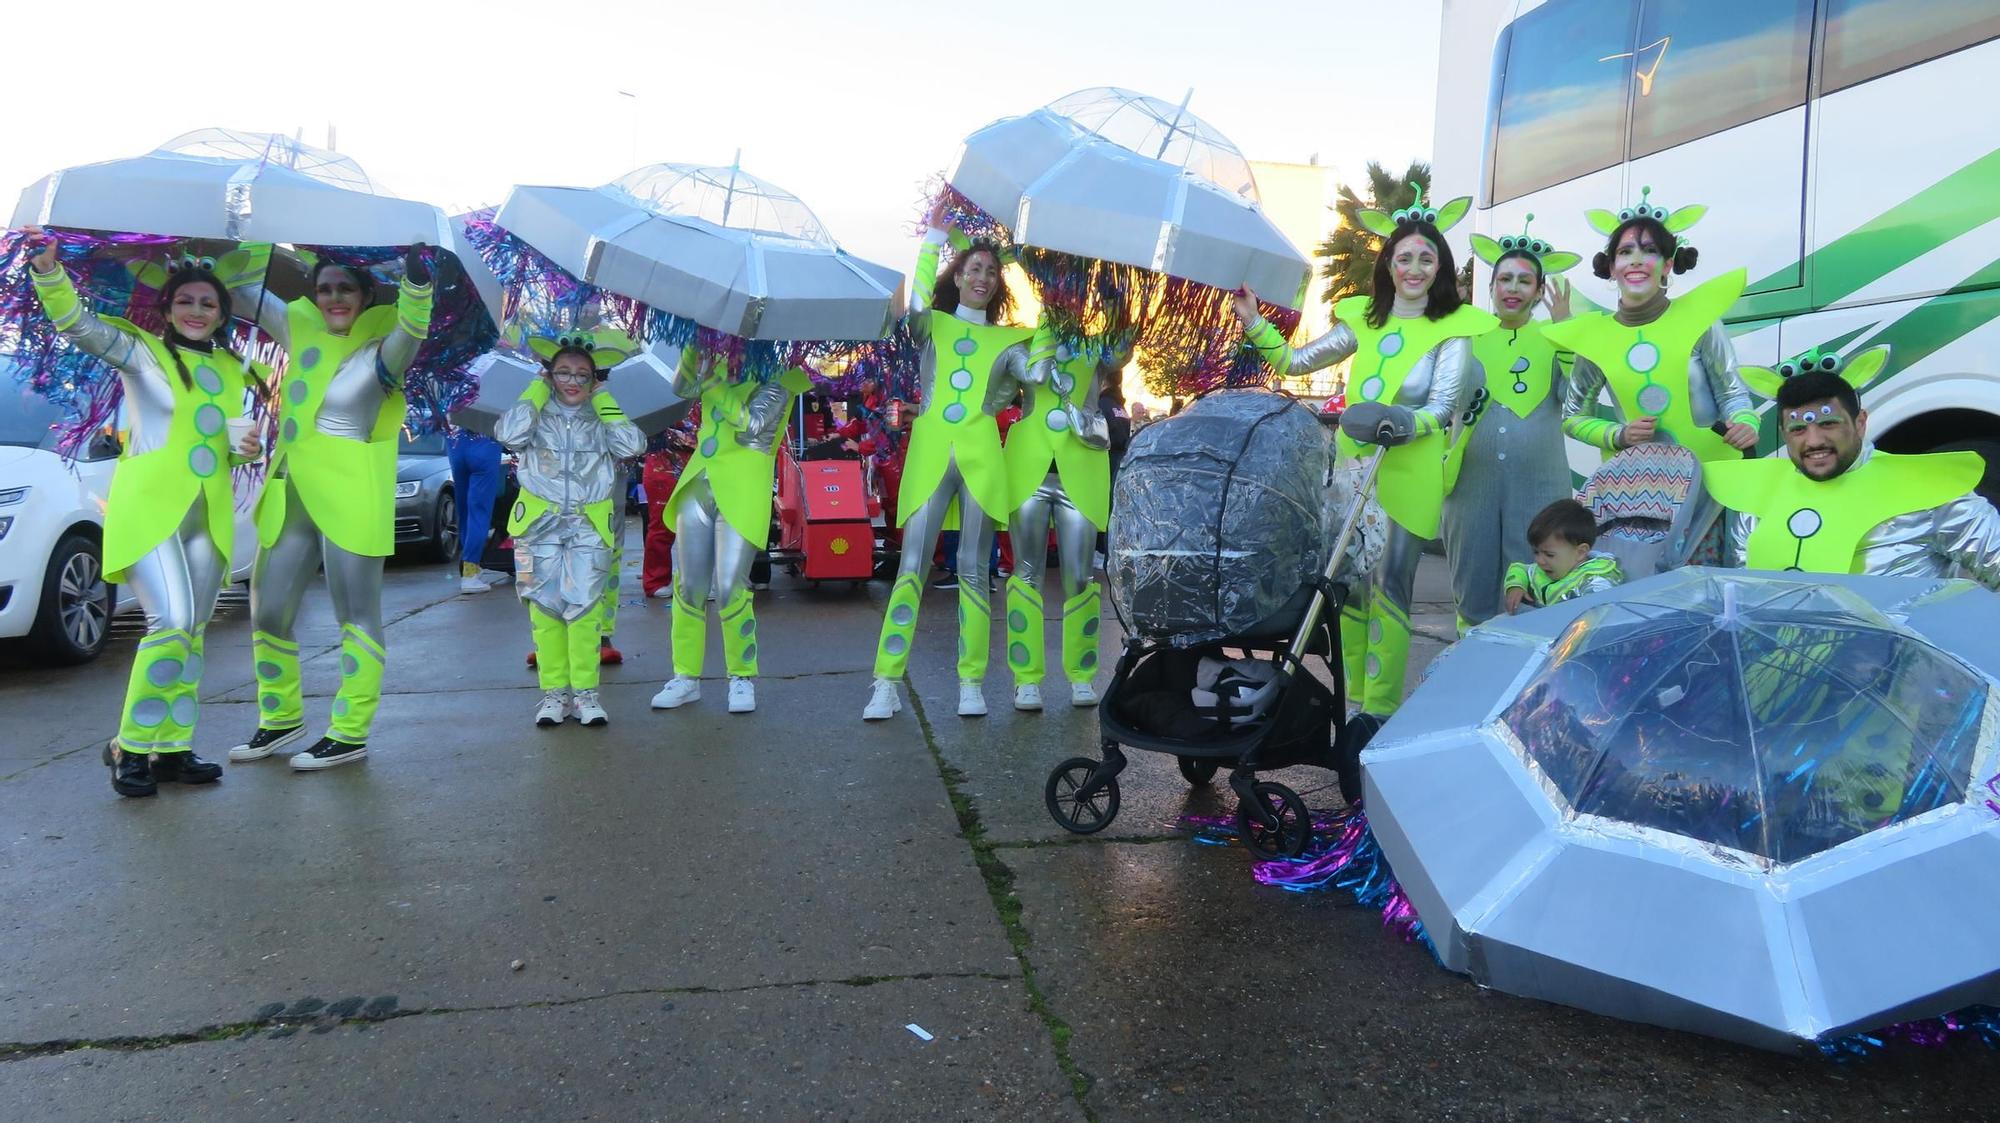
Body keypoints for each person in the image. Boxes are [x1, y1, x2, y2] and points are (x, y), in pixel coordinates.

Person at [1236, 186, 1496, 717]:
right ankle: (1350, 701)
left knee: (1391, 586)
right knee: (1349, 587)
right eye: (1405, 258)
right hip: (1353, 470)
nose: (1415, 268)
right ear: (1389, 265)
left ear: (1441, 266)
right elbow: (1293, 362)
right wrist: (1252, 318)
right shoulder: (1364, 321)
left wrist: (1403, 422)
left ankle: (1377, 711)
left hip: (1409, 471)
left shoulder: (1455, 330)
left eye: (1427, 258)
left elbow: (1443, 406)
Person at [28, 233, 261, 797]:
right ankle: (129, 748)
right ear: (167, 307)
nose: (198, 311)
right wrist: (49, 276)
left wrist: (243, 449)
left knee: (195, 632)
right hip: (152, 510)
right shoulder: (142, 352)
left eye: (209, 303)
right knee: (172, 623)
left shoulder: (235, 369)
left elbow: (218, 441)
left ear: (223, 312)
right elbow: (79, 326)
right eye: (186, 301)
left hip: (209, 515)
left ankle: (172, 750)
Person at [224, 246, 434, 770]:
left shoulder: (384, 351)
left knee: (356, 614)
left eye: (345, 289)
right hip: (291, 489)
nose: (334, 298)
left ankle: (349, 731)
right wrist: (233, 233)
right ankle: (281, 719)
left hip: (351, 495)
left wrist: (416, 282)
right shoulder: (300, 330)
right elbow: (245, 290)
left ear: (365, 296)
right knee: (268, 610)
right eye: (324, 289)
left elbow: (414, 323)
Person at [863, 210, 1033, 721]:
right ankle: (886, 682)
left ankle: (972, 681)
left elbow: (1032, 378)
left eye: (990, 272)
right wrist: (932, 239)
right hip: (931, 451)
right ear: (957, 276)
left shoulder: (1010, 340)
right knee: (911, 566)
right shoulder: (929, 323)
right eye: (974, 269)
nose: (982, 278)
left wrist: (1050, 351)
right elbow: (913, 301)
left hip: (983, 458)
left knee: (974, 572)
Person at [1706, 346, 2000, 581]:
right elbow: (1748, 591)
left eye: (1829, 423)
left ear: (1860, 423)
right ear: (1784, 434)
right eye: (1798, 429)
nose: (1813, 441)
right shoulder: (1759, 501)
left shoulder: (1928, 489)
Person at [1544, 188, 1759, 473]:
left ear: (1667, 265)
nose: (1635, 260)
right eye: (1625, 252)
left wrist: (1746, 422)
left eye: (1649, 251)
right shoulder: (1594, 338)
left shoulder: (1701, 319)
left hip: (1711, 476)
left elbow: (1732, 394)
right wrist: (1619, 435)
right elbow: (1574, 418)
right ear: (1612, 267)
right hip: (1635, 484)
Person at [495, 334, 645, 726]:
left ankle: (586, 695)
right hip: (535, 525)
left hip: (589, 525)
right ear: (549, 373)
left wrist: (603, 399)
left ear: (595, 378)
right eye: (563, 372)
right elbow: (508, 435)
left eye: (582, 374)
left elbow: (631, 445)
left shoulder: (602, 412)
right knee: (543, 608)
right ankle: (554, 695)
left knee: (584, 609)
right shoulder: (536, 410)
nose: (572, 380)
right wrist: (537, 387)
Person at [650, 348, 809, 715]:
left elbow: (753, 424)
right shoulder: (715, 361)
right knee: (689, 585)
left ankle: (741, 676)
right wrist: (693, 343)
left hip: (743, 490)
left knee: (729, 587)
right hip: (698, 484)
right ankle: (685, 677)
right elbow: (679, 386)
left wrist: (713, 382)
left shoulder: (785, 376)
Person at [1441, 218, 1581, 632]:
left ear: (1539, 291)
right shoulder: (1466, 337)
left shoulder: (1557, 337)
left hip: (1540, 486)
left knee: (1538, 581)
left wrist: (1568, 336)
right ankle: (1471, 664)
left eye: (1524, 281)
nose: (1513, 288)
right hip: (1470, 487)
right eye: (1504, 279)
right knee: (1472, 580)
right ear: (1492, 287)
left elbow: (1576, 401)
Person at [1004, 317, 1123, 711]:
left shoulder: (1098, 346)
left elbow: (1123, 345)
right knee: (1026, 574)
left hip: (1080, 471)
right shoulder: (1026, 342)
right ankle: (1026, 679)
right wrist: (1047, 329)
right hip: (1028, 471)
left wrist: (1117, 297)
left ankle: (1082, 675)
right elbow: (1032, 372)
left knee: (1079, 577)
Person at [1504, 498, 1624, 612]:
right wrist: (1515, 586)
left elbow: (1599, 613)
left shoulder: (1595, 580)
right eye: (1536, 552)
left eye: (1549, 555)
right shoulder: (1543, 570)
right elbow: (1521, 569)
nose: (1539, 560)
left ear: (1580, 552)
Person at [447, 428, 508, 593]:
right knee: (479, 513)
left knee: (464, 510)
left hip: (456, 443)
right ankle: (469, 574)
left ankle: (470, 567)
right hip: (485, 443)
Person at [641, 428, 692, 598]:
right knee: (661, 525)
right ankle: (657, 580)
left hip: (699, 463)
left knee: (699, 525)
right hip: (661, 466)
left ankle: (697, 580)